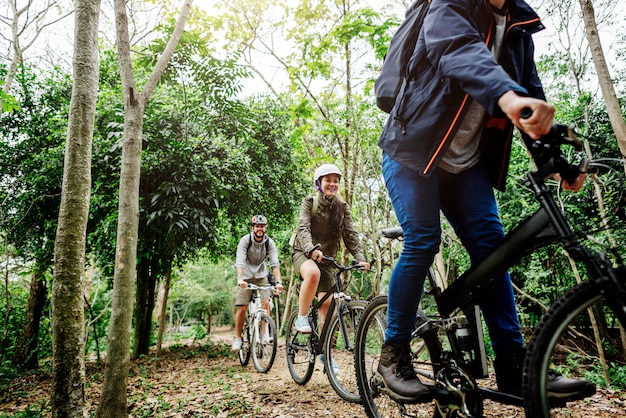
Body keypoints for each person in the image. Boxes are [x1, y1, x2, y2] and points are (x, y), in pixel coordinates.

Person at [375, 0, 594, 402]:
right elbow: (459, 51)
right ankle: (393, 356)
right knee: (423, 240)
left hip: (466, 164)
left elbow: (532, 96)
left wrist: (554, 160)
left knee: (493, 253)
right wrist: (508, 99)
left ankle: (516, 366)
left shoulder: (519, 28)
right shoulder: (447, 6)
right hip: (412, 152)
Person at [291, 163, 370, 336]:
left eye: (336, 181)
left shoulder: (343, 207)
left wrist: (360, 257)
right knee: (313, 274)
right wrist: (311, 249)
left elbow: (350, 234)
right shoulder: (309, 202)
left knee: (327, 309)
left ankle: (325, 354)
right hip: (303, 252)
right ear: (319, 183)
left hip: (326, 258)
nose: (332, 184)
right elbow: (303, 228)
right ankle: (302, 316)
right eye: (328, 180)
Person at [231, 214, 283, 352]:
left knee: (266, 303)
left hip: (261, 276)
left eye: (262, 226)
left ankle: (264, 332)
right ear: (253, 227)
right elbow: (240, 261)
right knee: (242, 307)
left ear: (265, 228)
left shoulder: (269, 243)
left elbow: (274, 263)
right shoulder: (245, 241)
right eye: (257, 226)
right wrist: (240, 278)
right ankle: (237, 337)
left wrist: (278, 282)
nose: (260, 229)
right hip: (246, 276)